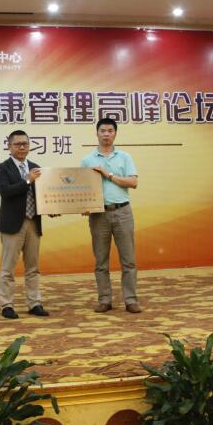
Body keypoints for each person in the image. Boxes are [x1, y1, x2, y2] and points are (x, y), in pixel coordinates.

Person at [80, 118, 141, 313]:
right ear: (96, 133)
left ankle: (131, 300)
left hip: (123, 211)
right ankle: (104, 300)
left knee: (128, 260)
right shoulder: (87, 160)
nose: (106, 134)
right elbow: (82, 188)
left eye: (110, 131)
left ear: (115, 133)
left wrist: (108, 174)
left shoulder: (124, 157)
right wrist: (84, 205)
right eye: (103, 131)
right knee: (101, 261)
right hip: (99, 215)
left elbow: (133, 182)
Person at [0, 130, 49, 319]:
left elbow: (43, 195)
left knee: (33, 267)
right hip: (12, 225)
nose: (22, 147)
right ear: (9, 146)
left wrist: (51, 208)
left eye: (25, 144)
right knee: (8, 268)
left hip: (33, 222)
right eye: (18, 144)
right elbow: (5, 191)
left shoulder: (35, 167)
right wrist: (27, 180)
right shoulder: (2, 168)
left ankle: (34, 303)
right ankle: (7, 305)